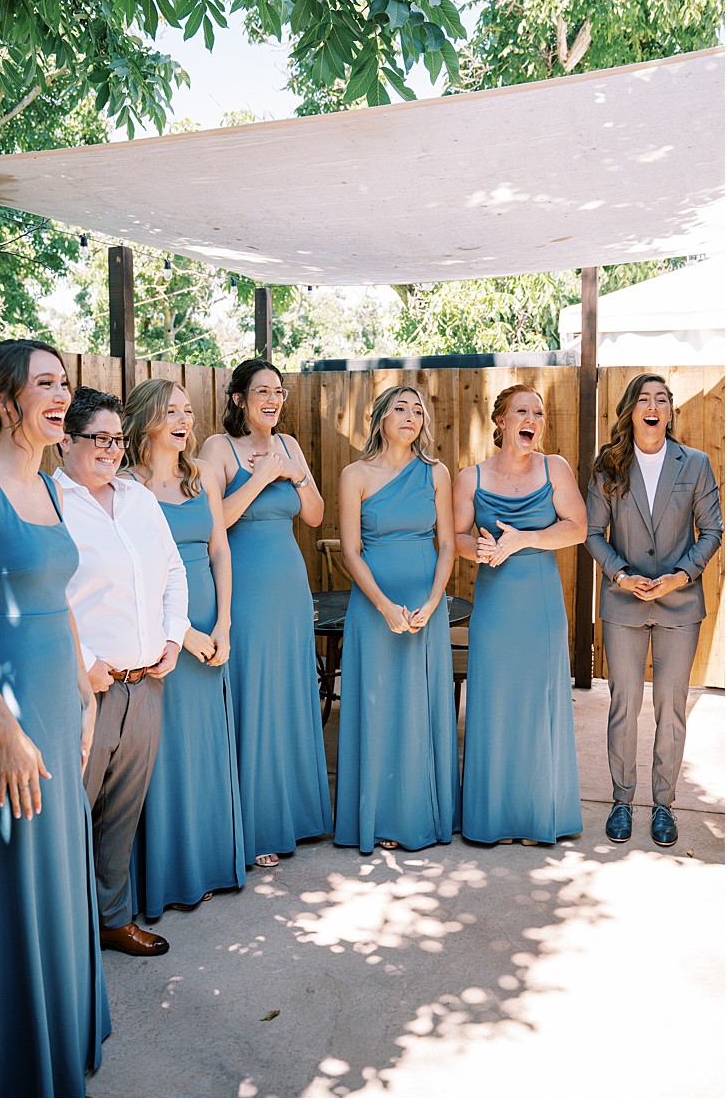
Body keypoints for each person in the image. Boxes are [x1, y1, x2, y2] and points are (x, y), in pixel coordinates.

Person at [0, 339, 108, 1096]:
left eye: (64, 381)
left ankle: (60, 1031)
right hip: (1, 715)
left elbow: (59, 598)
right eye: (44, 383)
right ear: (4, 400)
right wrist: (5, 730)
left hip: (56, 705)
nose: (61, 393)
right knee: (13, 884)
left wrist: (84, 692)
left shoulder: (52, 485)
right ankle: (12, 1059)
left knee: (56, 875)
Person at [56, 387, 187, 957]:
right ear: (66, 439)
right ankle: (63, 936)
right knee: (70, 814)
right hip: (87, 689)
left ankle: (112, 919)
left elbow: (175, 570)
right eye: (98, 439)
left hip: (147, 683)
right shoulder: (49, 502)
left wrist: (173, 635)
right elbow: (44, 595)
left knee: (122, 814)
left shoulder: (138, 499)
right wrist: (86, 666)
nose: (111, 450)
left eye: (118, 439)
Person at [198, 358, 330, 867]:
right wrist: (263, 478)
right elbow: (217, 523)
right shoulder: (218, 448)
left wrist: (294, 474)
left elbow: (315, 516)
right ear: (238, 398)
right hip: (244, 587)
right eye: (263, 391)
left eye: (279, 392)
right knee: (254, 695)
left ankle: (296, 816)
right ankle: (255, 826)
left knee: (290, 692)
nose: (273, 400)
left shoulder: (291, 444)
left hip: (290, 585)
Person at [122, 378, 245, 917]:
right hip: (162, 639)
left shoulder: (200, 479)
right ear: (146, 419)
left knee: (205, 749)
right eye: (171, 410)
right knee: (166, 756)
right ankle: (168, 877)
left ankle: (212, 864)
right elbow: (130, 573)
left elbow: (219, 550)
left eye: (188, 410)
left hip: (208, 632)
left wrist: (222, 622)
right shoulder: (125, 486)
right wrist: (185, 636)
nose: (184, 418)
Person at [586, 373, 722, 847]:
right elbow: (592, 534)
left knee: (671, 707)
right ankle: (622, 801)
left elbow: (712, 532)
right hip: (623, 603)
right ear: (631, 410)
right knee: (623, 705)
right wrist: (622, 574)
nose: (653, 405)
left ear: (669, 412)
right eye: (644, 398)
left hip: (680, 604)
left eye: (661, 399)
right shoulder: (608, 465)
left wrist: (680, 576)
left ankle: (663, 805)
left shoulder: (697, 464)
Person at [453, 383, 588, 845]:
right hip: (495, 603)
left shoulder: (556, 468)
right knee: (493, 702)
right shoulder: (470, 477)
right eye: (522, 411)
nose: (532, 418)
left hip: (541, 604)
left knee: (537, 702)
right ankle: (492, 818)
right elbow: (454, 537)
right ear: (501, 421)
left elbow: (578, 528)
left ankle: (535, 816)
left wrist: (525, 539)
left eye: (538, 412)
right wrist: (483, 549)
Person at [333, 386, 458, 854]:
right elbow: (350, 550)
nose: (410, 416)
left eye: (418, 410)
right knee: (377, 705)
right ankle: (377, 815)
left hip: (426, 602)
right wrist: (385, 606)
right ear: (380, 417)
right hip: (373, 605)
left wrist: (432, 601)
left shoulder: (437, 473)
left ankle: (421, 815)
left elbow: (447, 545)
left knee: (421, 708)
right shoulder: (355, 474)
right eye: (400, 408)